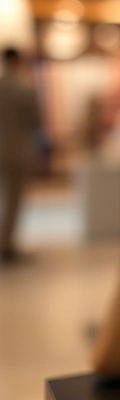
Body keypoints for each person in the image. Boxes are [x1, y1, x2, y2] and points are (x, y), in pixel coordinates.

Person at [0, 48, 41, 262]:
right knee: (13, 200)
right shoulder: (25, 87)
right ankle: (6, 245)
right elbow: (35, 122)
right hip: (17, 151)